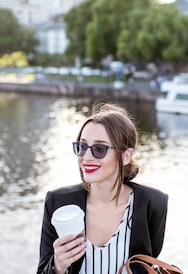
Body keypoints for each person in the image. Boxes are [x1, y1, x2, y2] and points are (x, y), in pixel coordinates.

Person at [37, 103, 168, 274]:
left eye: (99, 149)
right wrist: (58, 266)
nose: (87, 157)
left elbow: (147, 263)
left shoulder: (152, 203)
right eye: (82, 147)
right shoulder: (58, 202)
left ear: (126, 156)